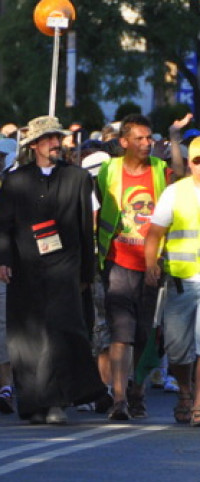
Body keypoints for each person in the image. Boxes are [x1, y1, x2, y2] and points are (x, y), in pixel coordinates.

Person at [0, 116, 107, 424]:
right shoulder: (15, 181)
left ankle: (57, 400)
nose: (56, 144)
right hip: (25, 267)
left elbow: (86, 228)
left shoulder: (78, 178)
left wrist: (86, 273)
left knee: (61, 333)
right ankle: (32, 402)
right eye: (49, 139)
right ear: (35, 146)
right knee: (27, 337)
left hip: (64, 268)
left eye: (58, 138)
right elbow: (1, 226)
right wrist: (0, 261)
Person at [95, 115, 175, 420]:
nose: (146, 143)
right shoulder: (108, 170)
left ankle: (137, 391)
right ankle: (119, 399)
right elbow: (96, 209)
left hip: (151, 265)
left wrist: (176, 139)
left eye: (150, 138)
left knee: (143, 333)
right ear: (124, 142)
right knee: (121, 332)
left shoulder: (160, 170)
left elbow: (180, 177)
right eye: (139, 139)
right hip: (116, 261)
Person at [144, 134, 200, 425]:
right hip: (180, 280)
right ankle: (186, 393)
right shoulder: (175, 193)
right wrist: (151, 263)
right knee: (178, 349)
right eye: (197, 161)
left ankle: (199, 403)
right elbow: (154, 233)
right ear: (190, 163)